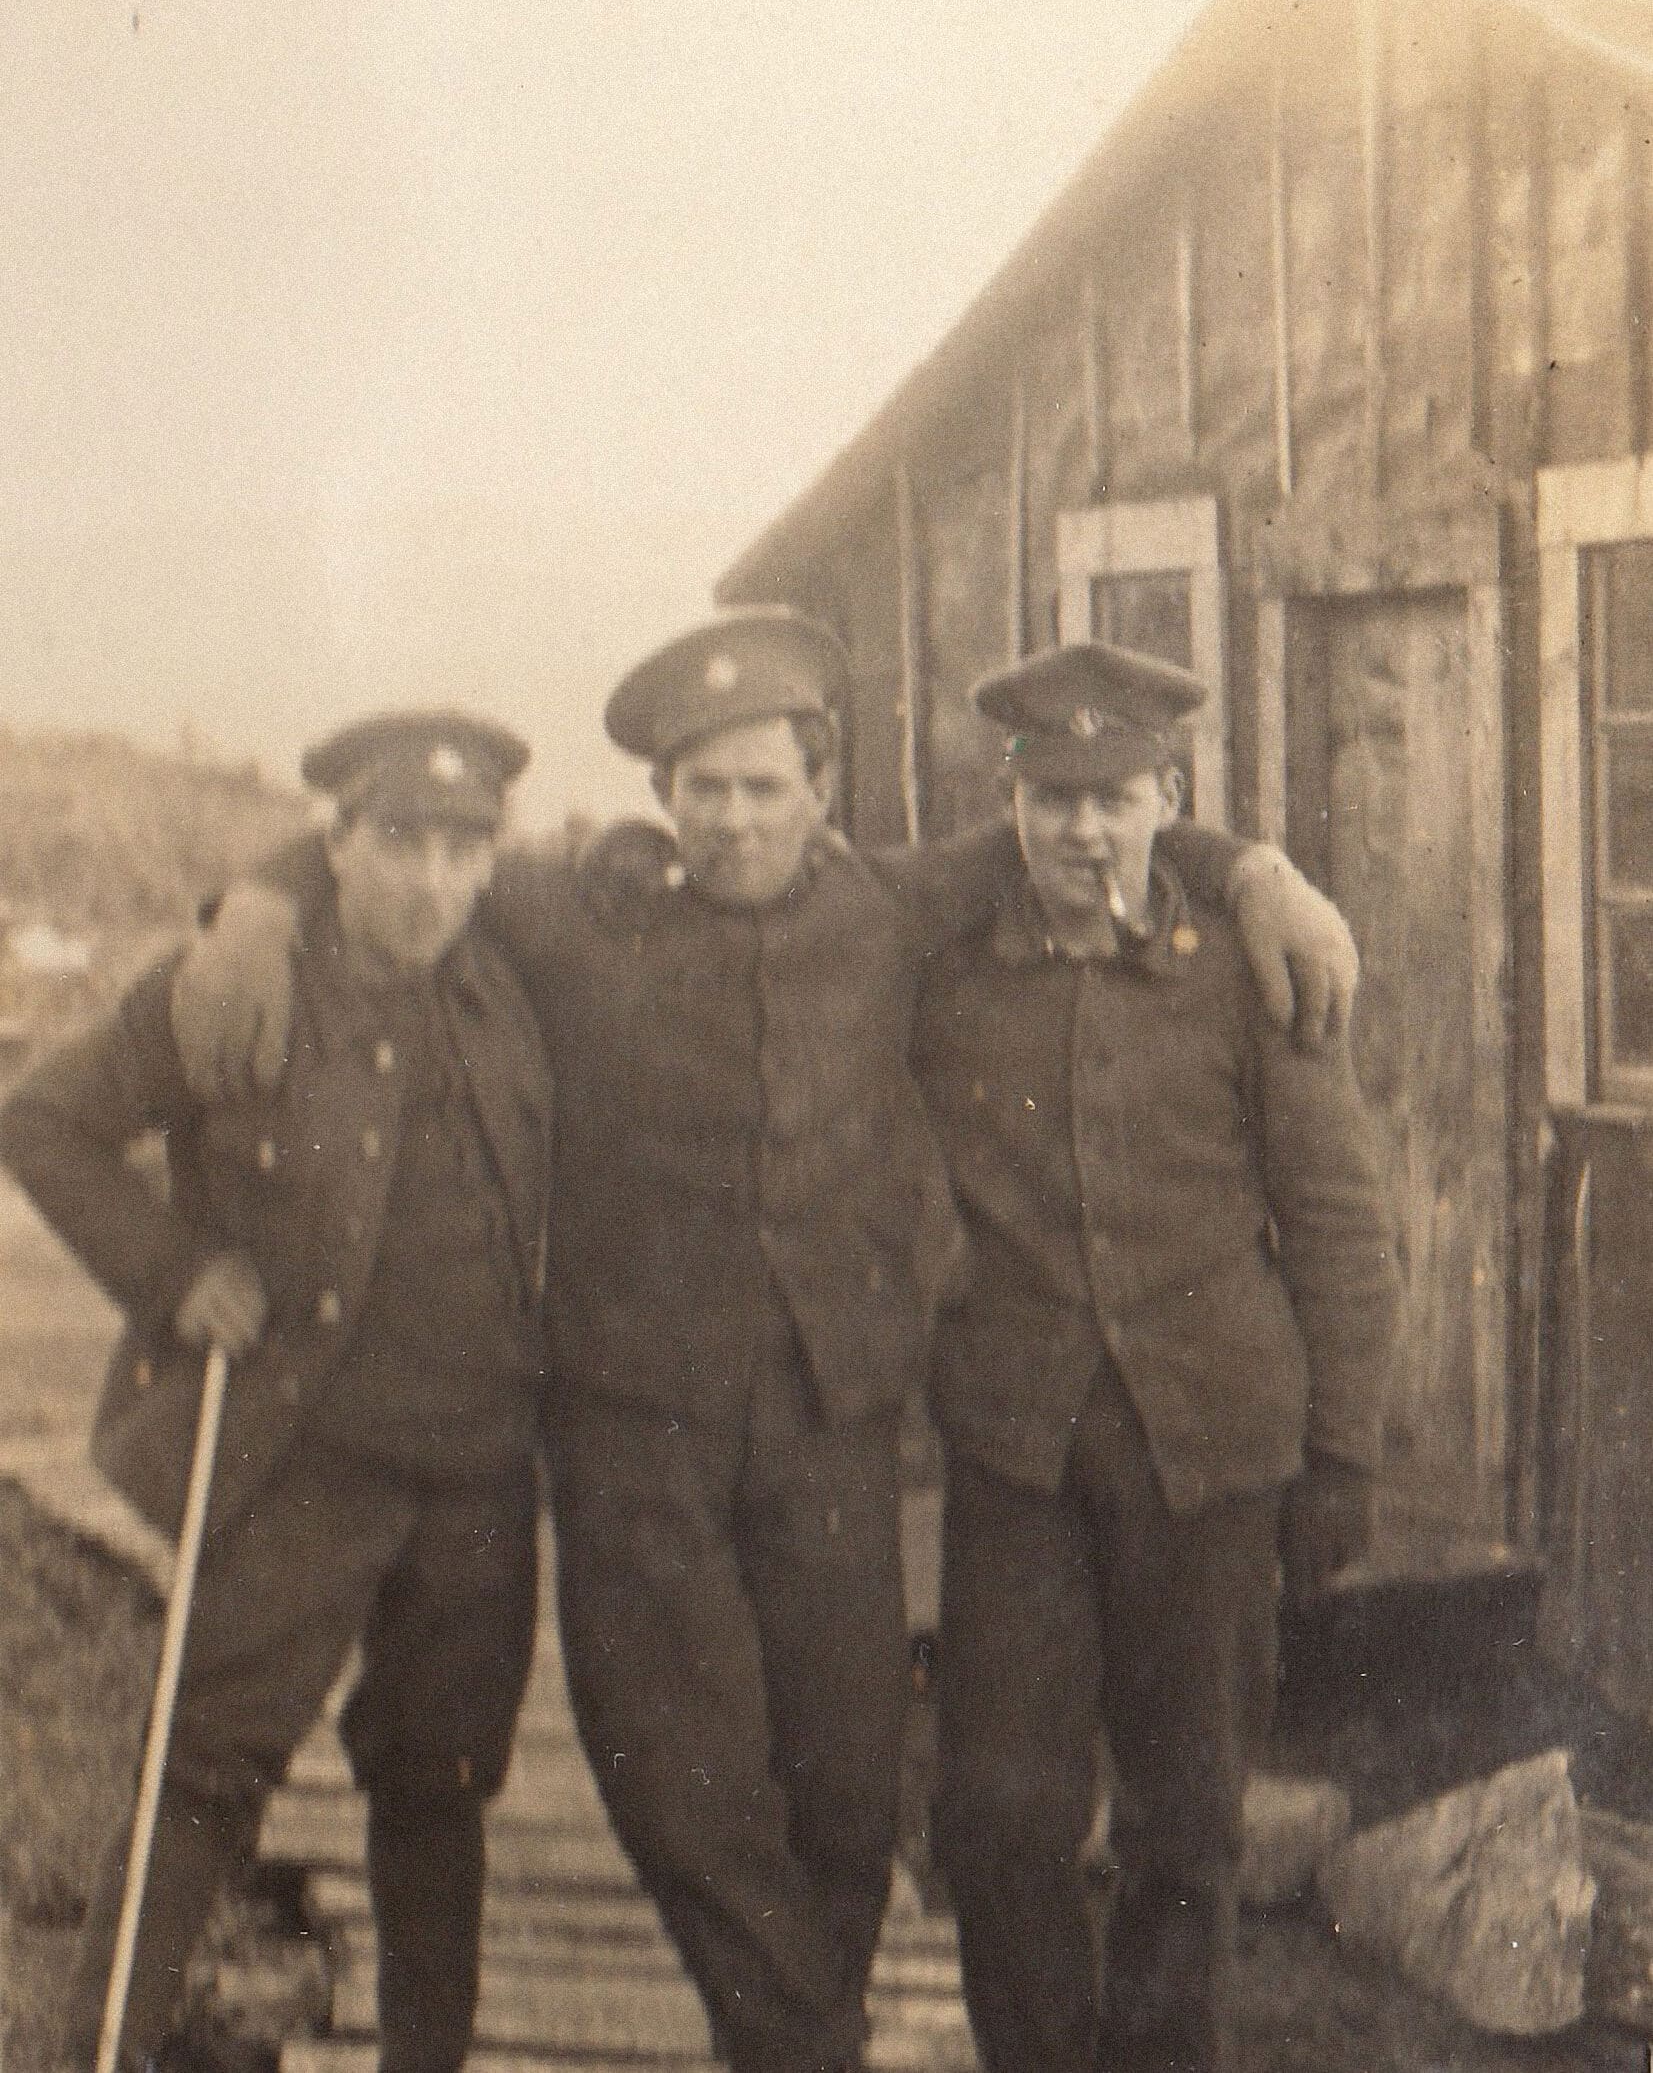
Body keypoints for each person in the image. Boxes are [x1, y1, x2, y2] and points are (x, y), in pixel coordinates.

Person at [169, 608, 1360, 2073]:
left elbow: (1104, 830)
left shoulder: (885, 909)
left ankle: (787, 2041)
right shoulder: (570, 917)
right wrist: (263, 903)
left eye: (764, 786)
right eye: (702, 787)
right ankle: (808, 2046)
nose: (733, 819)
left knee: (848, 1788)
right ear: (661, 798)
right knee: (674, 1778)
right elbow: (410, 838)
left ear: (821, 790)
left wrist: (1261, 875)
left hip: (826, 1422)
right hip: (631, 1429)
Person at [0, 711, 553, 2073]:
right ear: (338, 844)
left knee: (440, 1789)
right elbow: (43, 1120)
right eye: (397, 844)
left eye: (460, 847)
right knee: (204, 1774)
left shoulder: (515, 973)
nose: (430, 882)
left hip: (478, 1479)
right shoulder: (236, 981)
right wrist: (172, 1269)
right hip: (298, 1465)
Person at [910, 641, 1400, 2073]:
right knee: (997, 1814)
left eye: (1113, 797)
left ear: (1163, 798)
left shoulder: (1245, 969)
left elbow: (1336, 1225)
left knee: (1187, 1820)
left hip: (1211, 1453)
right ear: (1008, 808)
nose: (1081, 830)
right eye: (1050, 798)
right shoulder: (947, 970)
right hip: (1017, 1450)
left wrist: (1343, 1457)